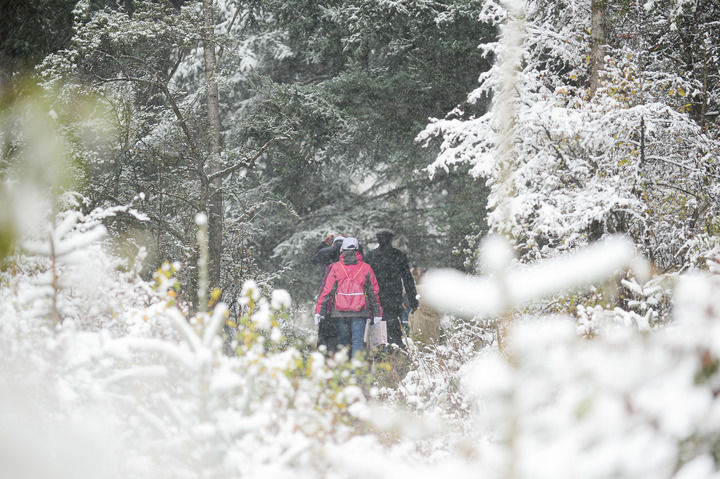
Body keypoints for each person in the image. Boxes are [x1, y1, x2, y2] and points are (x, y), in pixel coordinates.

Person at [315, 237, 383, 359]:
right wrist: (377, 312)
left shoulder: (336, 267)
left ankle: (344, 372)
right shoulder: (366, 268)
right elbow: (374, 292)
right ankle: (355, 372)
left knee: (343, 342)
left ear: (342, 250)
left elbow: (327, 291)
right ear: (357, 249)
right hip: (360, 311)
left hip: (340, 312)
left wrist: (319, 311)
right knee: (357, 341)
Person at [365, 229, 418, 349]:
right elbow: (407, 279)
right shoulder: (399, 255)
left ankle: (379, 354)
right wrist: (413, 300)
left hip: (376, 297)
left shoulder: (370, 256)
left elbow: (365, 280)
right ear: (391, 239)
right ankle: (396, 352)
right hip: (394, 297)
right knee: (394, 327)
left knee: (377, 327)